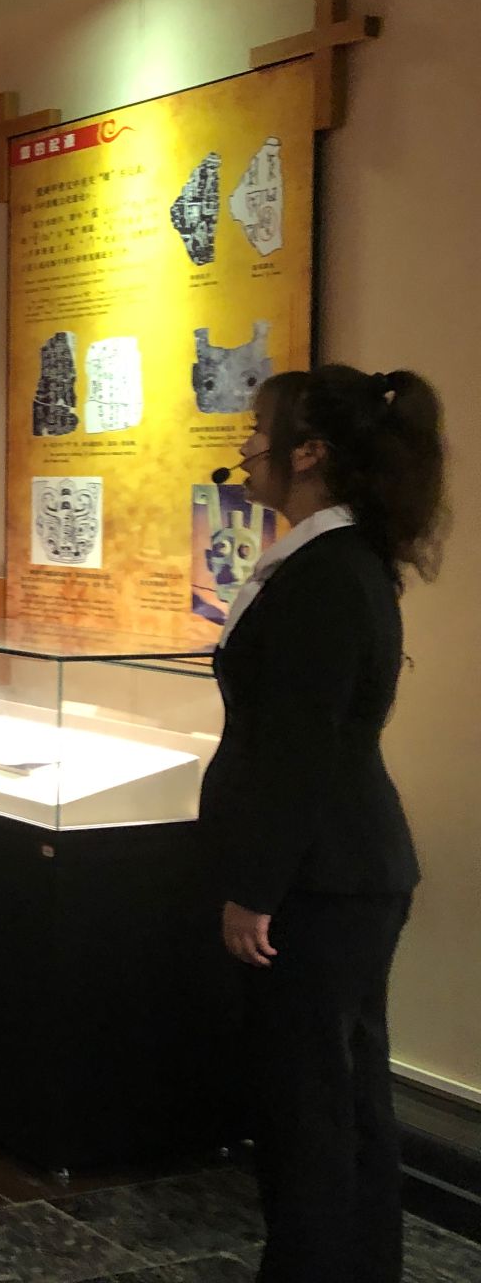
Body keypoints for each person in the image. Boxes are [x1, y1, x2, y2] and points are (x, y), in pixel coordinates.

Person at [202, 364, 447, 1283]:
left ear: (308, 453)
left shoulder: (327, 574)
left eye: (258, 429)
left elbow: (300, 750)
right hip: (339, 871)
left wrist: (255, 889)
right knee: (341, 1094)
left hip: (323, 880)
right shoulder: (331, 563)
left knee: (308, 1104)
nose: (245, 447)